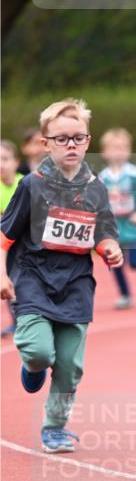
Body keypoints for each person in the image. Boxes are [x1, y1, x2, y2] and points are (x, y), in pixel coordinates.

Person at [0, 98, 123, 453]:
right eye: (61, 139)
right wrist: (3, 276)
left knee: (69, 365)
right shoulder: (32, 185)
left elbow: (104, 231)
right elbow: (5, 236)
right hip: (33, 277)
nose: (71, 145)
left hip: (75, 282)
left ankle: (54, 427)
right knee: (40, 352)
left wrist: (109, 247)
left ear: (87, 141)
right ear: (46, 143)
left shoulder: (96, 188)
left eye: (78, 138)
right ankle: (34, 366)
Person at [99, 127, 136, 309]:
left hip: (132, 224)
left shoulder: (135, 174)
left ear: (129, 151)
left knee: (134, 262)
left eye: (122, 148)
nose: (118, 152)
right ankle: (125, 294)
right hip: (113, 227)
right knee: (116, 262)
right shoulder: (102, 177)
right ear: (104, 152)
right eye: (114, 148)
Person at [1, 140, 22, 336]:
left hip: (26, 246)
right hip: (5, 248)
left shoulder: (25, 184)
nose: (1, 164)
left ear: (16, 162)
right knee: (7, 282)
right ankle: (16, 321)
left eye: (5, 159)